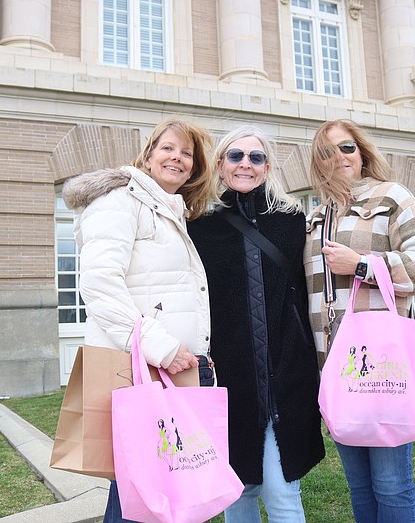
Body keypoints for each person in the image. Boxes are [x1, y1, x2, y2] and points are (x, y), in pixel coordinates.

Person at [61, 118, 218, 523]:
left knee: (152, 489)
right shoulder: (120, 200)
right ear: (148, 156)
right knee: (143, 495)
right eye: (168, 148)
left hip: (169, 371)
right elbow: (99, 286)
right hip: (141, 369)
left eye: (187, 154)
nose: (178, 158)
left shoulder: (170, 209)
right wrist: (162, 348)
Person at [304, 119, 415, 523]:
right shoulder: (316, 217)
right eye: (327, 152)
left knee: (390, 483)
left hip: (383, 367)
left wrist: (363, 264)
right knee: (359, 486)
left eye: (347, 147)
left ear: (362, 151)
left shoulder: (392, 198)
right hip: (334, 367)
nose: (339, 158)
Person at [188, 125, 325, 523]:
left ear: (267, 167)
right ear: (219, 163)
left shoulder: (290, 221)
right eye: (236, 156)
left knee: (282, 492)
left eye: (256, 157)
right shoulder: (199, 224)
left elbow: (305, 290)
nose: (245, 164)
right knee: (238, 491)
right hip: (229, 377)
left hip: (286, 373)